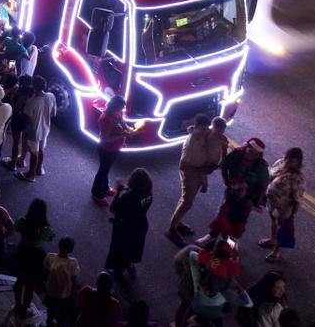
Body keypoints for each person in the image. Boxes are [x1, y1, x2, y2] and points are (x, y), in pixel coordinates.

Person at [166, 113, 226, 246]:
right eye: (202, 129)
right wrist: (203, 174)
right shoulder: (192, 142)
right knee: (187, 201)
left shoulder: (205, 134)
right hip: (190, 171)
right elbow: (185, 164)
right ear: (197, 127)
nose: (205, 131)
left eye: (206, 128)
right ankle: (172, 230)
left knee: (187, 200)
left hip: (198, 171)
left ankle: (177, 222)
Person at [206, 137, 270, 243]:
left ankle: (230, 246)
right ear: (246, 147)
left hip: (248, 197)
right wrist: (226, 181)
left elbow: (264, 185)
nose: (252, 156)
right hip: (231, 192)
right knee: (223, 213)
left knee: (239, 222)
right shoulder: (236, 155)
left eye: (256, 154)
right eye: (251, 152)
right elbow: (225, 166)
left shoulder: (261, 166)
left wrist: (255, 201)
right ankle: (211, 237)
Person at [105, 167, 153, 281]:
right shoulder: (149, 194)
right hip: (141, 225)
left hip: (125, 227)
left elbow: (113, 209)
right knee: (135, 247)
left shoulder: (128, 197)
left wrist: (117, 192)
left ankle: (121, 271)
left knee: (121, 248)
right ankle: (130, 266)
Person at [261, 147, 305, 262]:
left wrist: (291, 214)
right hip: (272, 203)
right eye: (286, 159)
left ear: (298, 163)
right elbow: (270, 174)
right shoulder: (280, 163)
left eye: (291, 161)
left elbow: (297, 199)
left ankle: (277, 250)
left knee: (282, 228)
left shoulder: (297, 179)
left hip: (284, 208)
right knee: (273, 220)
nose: (287, 163)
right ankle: (272, 239)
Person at [13, 198, 54, 319]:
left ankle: (17, 305)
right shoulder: (47, 229)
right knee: (30, 285)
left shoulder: (23, 221)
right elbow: (50, 238)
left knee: (20, 281)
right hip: (36, 257)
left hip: (22, 252)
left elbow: (16, 227)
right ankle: (24, 309)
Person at [92, 95, 131, 205]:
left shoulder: (118, 112)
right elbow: (105, 139)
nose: (121, 111)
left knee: (106, 169)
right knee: (103, 171)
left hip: (114, 148)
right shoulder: (105, 119)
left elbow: (122, 121)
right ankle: (96, 193)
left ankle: (104, 188)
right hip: (106, 149)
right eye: (120, 108)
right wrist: (122, 135)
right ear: (114, 107)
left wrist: (127, 128)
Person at [19, 75, 55, 181]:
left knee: (34, 153)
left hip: (34, 131)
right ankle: (39, 169)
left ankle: (31, 174)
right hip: (46, 129)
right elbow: (53, 113)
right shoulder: (51, 96)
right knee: (41, 149)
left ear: (34, 87)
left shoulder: (31, 101)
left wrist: (19, 113)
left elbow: (27, 118)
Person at [43, 237, 79, 327]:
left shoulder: (50, 257)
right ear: (71, 249)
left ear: (59, 245)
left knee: (50, 308)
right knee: (62, 311)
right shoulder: (73, 262)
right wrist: (71, 290)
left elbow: (45, 272)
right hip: (65, 293)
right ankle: (59, 324)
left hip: (51, 290)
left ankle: (49, 322)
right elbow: (73, 278)